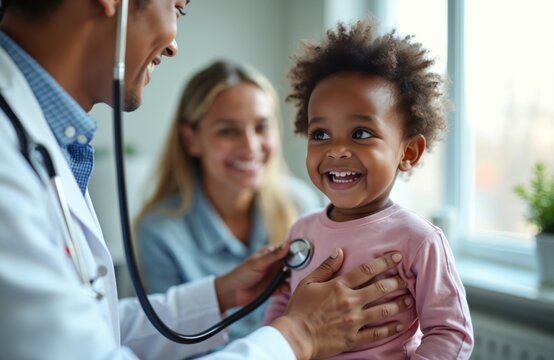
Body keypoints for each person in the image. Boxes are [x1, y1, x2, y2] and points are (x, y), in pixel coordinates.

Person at [0, 1, 414, 360]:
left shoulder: (43, 142)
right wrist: (299, 335)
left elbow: (95, 330)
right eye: (177, 8)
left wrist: (219, 296)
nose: (174, 43)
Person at [265, 18, 474, 359]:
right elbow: (281, 304)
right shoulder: (302, 230)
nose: (336, 150)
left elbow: (451, 333)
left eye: (360, 133)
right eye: (320, 134)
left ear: (408, 152)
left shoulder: (419, 240)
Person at [134, 59, 322, 346]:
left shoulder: (303, 203)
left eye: (261, 127)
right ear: (191, 139)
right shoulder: (159, 231)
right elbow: (173, 344)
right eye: (228, 131)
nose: (250, 146)